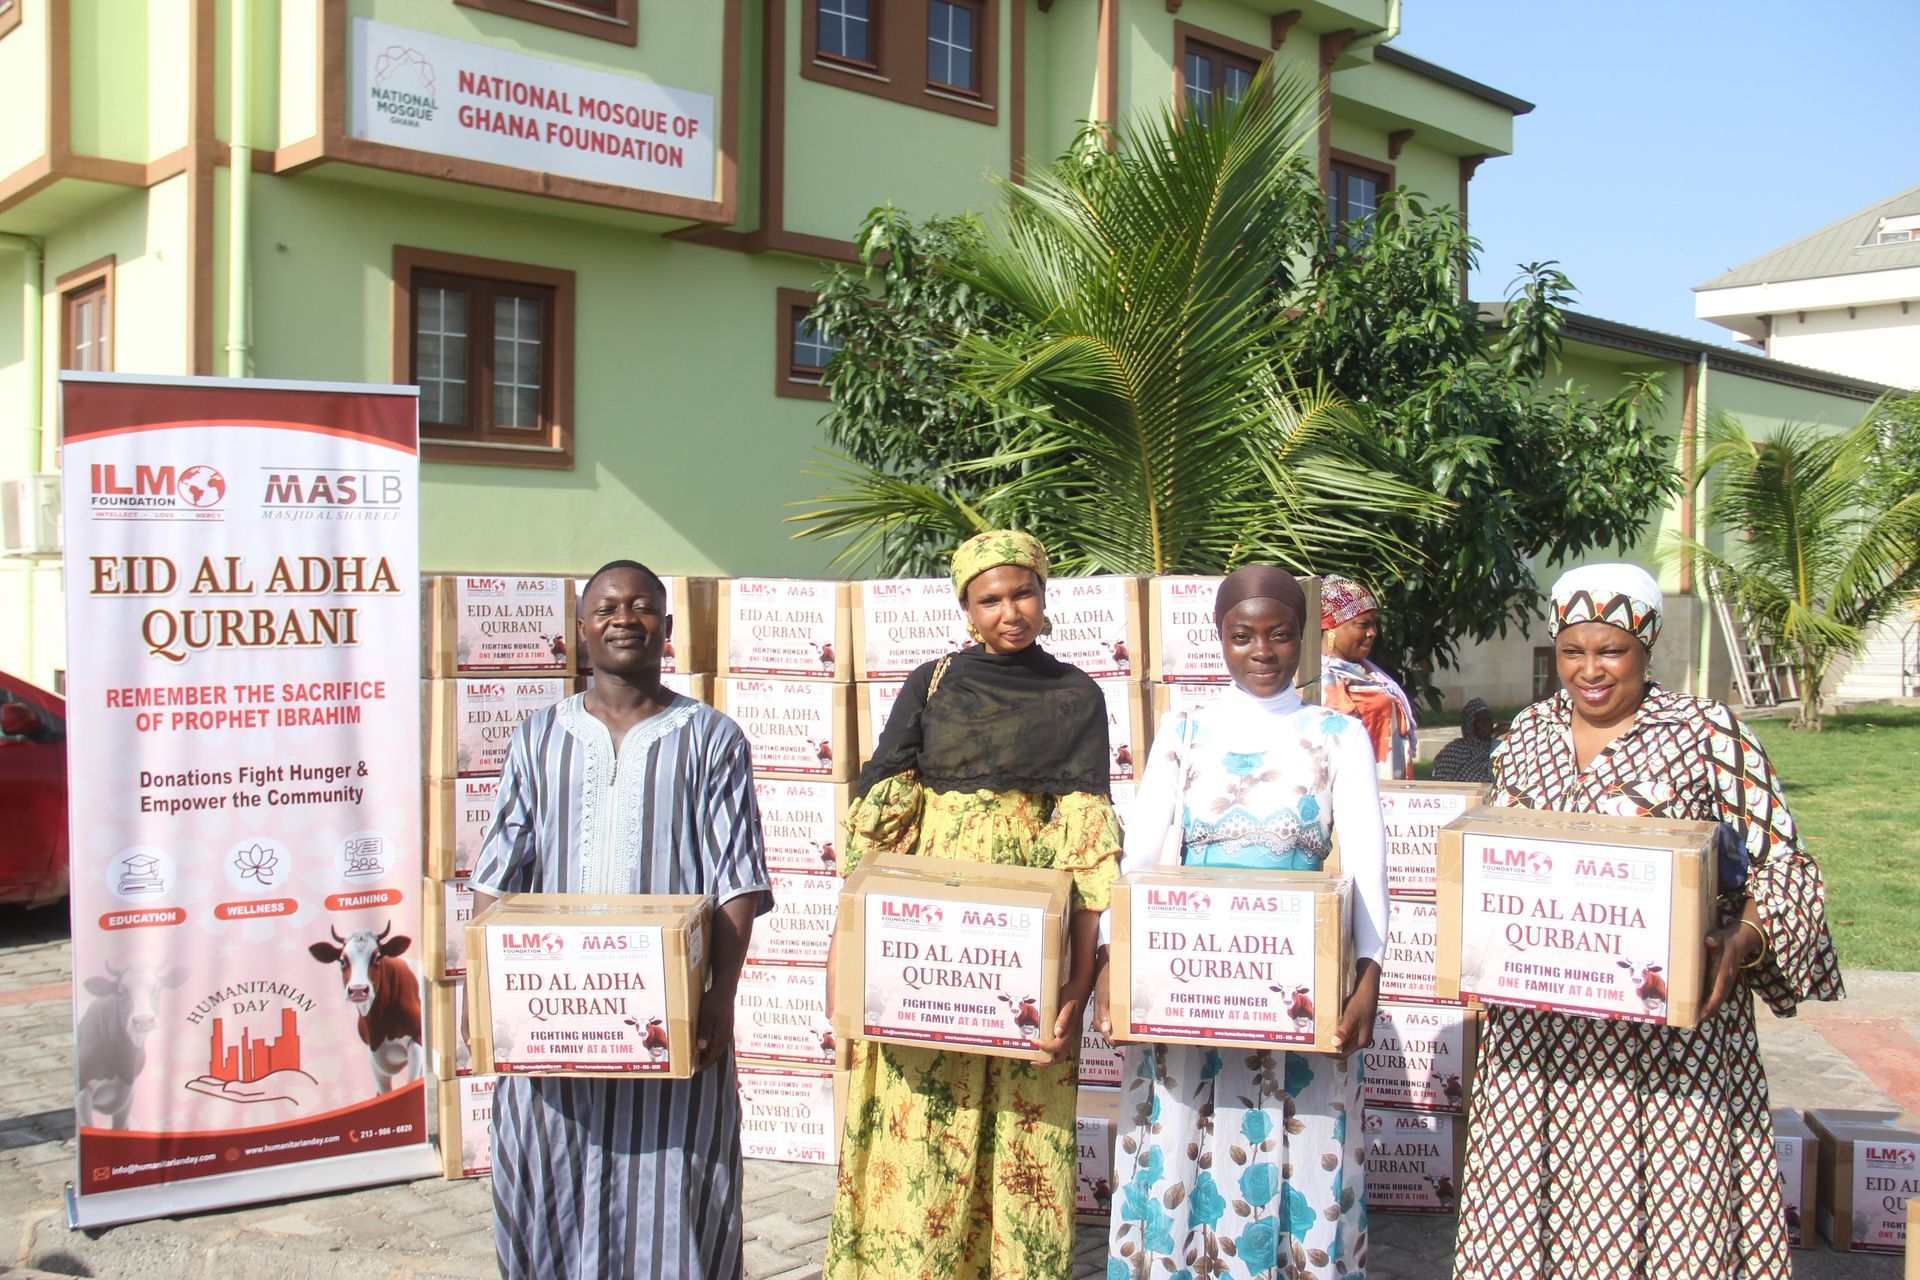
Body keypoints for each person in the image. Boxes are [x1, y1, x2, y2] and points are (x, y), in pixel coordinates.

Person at [1452, 563, 1845, 1280]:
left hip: (1665, 1044)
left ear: (1647, 645)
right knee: (1527, 1216)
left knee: (1674, 1218)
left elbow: (1787, 868)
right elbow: (1495, 858)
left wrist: (1746, 938)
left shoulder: (1706, 732)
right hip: (1539, 1041)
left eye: (1611, 651)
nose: (1589, 671)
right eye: (1573, 651)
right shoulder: (1528, 735)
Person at [823, 530, 1120, 1280]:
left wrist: (1077, 990)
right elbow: (873, 840)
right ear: (965, 608)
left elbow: (1087, 863)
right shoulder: (931, 684)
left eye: (1022, 593)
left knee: (1020, 1122)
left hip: (1028, 954)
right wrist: (843, 952)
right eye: (989, 599)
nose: (1009, 611)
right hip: (927, 953)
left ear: (1045, 595)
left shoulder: (1077, 696)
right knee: (918, 1121)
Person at [470, 560, 772, 1280]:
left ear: (666, 630)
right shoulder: (538, 735)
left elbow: (737, 880)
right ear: (581, 629)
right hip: (553, 1018)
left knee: (676, 1191)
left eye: (641, 607)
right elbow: (496, 874)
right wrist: (487, 998)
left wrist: (717, 999)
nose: (623, 619)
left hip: (670, 1023)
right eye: (607, 608)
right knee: (547, 1181)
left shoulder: (711, 737)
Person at [1097, 566, 1389, 1280]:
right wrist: (1111, 961)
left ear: (1302, 639)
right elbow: (1136, 856)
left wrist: (1368, 977)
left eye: (1280, 634)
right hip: (1193, 983)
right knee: (1179, 1142)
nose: (1262, 651)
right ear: (1220, 640)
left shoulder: (1337, 735)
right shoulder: (1185, 731)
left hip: (1299, 990)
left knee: (1298, 1144)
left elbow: (1372, 868)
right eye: (1243, 636)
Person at [1318, 576, 1418, 780]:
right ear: (1331, 629)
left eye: (1374, 624)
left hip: (1389, 792)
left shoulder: (1365, 671)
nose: (1372, 633)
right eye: (1363, 625)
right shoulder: (1326, 678)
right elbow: (1340, 743)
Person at [1431, 696, 1496, 784]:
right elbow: (1440, 782)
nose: (1487, 725)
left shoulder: (1498, 749)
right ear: (1470, 724)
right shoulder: (1455, 751)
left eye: (1489, 720)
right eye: (1482, 721)